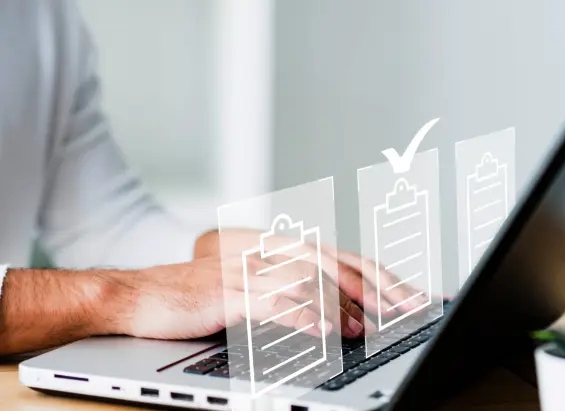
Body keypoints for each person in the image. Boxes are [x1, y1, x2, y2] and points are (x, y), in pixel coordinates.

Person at [0, 1, 421, 356]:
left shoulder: (39, 13)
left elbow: (103, 226)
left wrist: (230, 257)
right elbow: (123, 288)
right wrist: (122, 295)